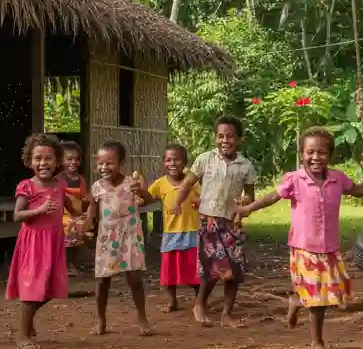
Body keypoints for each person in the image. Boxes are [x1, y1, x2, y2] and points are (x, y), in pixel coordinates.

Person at [236, 128, 363, 349]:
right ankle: (317, 343)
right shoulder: (294, 180)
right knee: (319, 300)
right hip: (304, 249)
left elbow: (356, 190)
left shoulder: (337, 178)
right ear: (302, 155)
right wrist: (247, 209)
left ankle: (297, 300)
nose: (315, 157)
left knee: (332, 295)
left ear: (330, 155)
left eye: (322, 152)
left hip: (329, 249)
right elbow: (272, 196)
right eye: (310, 152)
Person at [173, 116, 256, 327]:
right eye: (220, 136)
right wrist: (176, 203)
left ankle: (227, 314)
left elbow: (250, 197)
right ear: (215, 138)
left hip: (231, 223)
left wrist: (244, 203)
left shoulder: (245, 166)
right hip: (208, 221)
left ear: (239, 138)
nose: (225, 141)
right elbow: (188, 183)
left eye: (230, 136)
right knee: (212, 269)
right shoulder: (205, 159)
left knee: (235, 270)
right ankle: (200, 304)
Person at [7, 133, 82, 349]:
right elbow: (17, 215)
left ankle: (26, 326)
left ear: (57, 161)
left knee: (50, 288)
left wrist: (83, 214)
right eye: (38, 158)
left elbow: (72, 208)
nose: (43, 163)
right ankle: (22, 334)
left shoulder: (59, 185)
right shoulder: (27, 186)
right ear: (29, 161)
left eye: (48, 158)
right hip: (33, 244)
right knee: (33, 289)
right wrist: (39, 210)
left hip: (54, 242)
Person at [88, 140, 152, 336]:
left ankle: (142, 317)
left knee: (134, 279)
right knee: (102, 281)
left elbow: (148, 200)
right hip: (107, 238)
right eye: (100, 163)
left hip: (130, 235)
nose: (104, 167)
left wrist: (140, 190)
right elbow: (92, 212)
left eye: (110, 163)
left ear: (121, 162)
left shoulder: (130, 184)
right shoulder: (97, 187)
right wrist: (86, 226)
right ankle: (100, 319)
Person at [147, 144, 200, 312]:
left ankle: (200, 301)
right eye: (168, 160)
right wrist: (138, 195)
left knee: (194, 270)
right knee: (169, 271)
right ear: (163, 162)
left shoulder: (192, 182)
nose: (172, 163)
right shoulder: (160, 183)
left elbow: (204, 198)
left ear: (184, 162)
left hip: (192, 231)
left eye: (176, 159)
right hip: (170, 233)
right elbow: (147, 197)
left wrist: (199, 202)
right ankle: (172, 301)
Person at [60, 140, 89, 276]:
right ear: (60, 160)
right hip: (63, 215)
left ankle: (71, 263)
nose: (73, 162)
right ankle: (64, 266)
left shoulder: (81, 179)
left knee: (76, 240)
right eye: (69, 159)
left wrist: (85, 207)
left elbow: (83, 196)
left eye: (77, 159)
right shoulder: (58, 179)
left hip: (77, 213)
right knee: (65, 241)